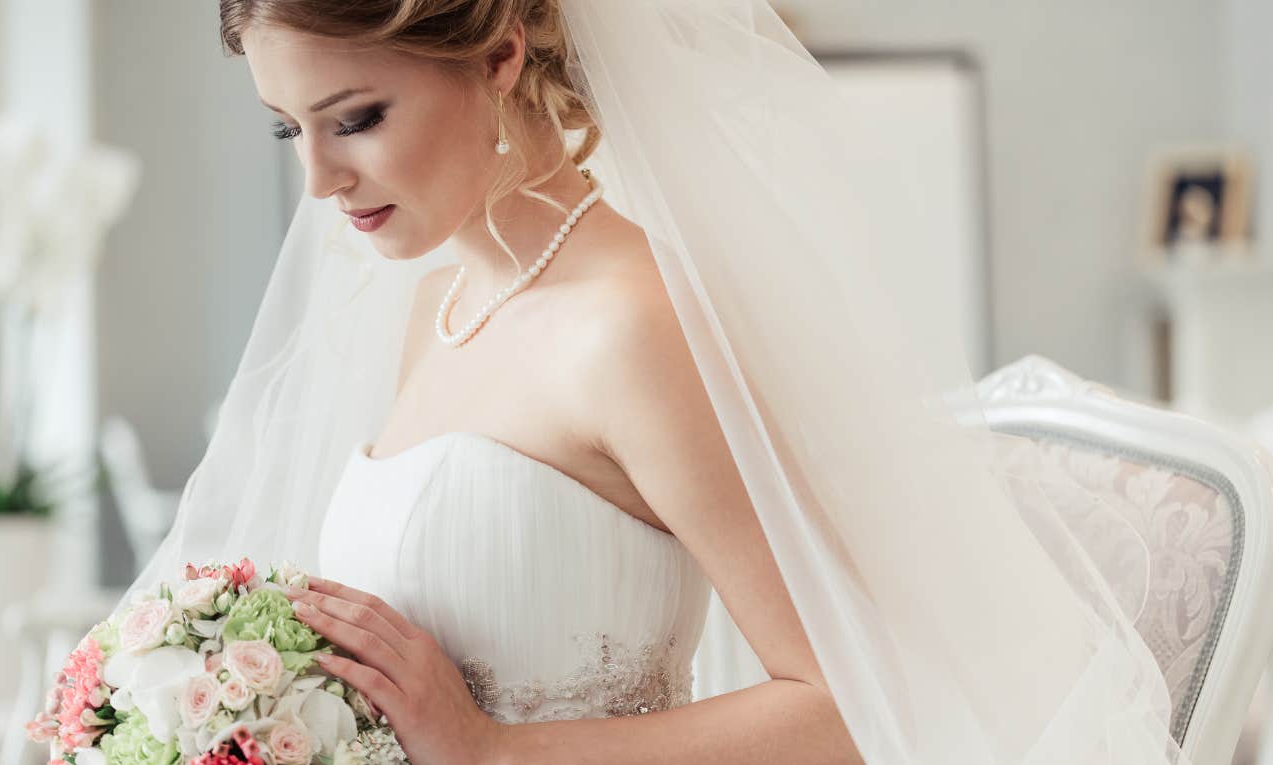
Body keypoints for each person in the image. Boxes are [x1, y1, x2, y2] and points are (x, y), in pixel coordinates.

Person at [129, 1, 1186, 762]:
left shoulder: (632, 326)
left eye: (355, 118)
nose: (317, 179)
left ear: (499, 53)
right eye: (289, 128)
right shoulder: (427, 310)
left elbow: (851, 705)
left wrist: (496, 753)